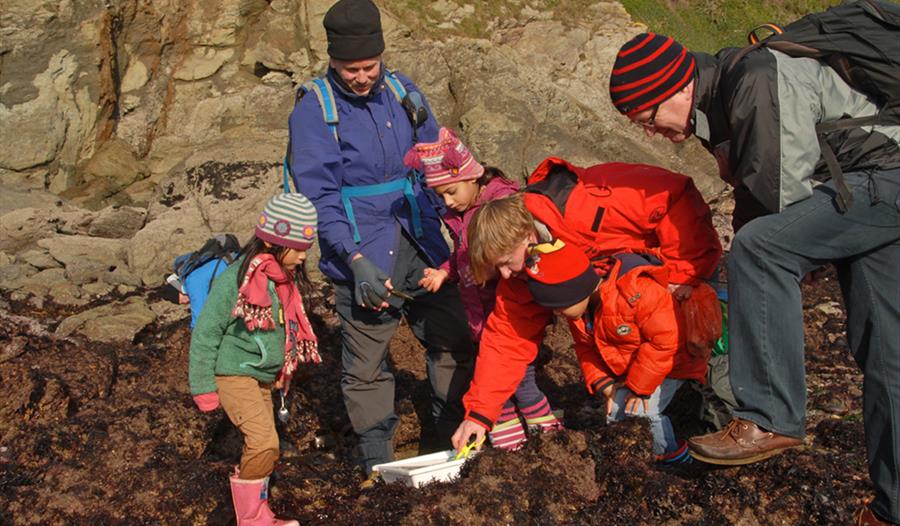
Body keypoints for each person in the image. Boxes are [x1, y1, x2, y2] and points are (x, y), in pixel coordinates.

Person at [609, 30, 900, 524]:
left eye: (648, 119)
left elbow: (778, 187)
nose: (651, 133)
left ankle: (769, 416)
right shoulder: (718, 102)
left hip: (881, 177)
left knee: (760, 248)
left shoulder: (751, 80)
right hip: (871, 188)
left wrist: (768, 265)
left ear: (675, 88)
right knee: (887, 353)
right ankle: (893, 509)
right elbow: (753, 191)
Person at [287, 0, 474, 474]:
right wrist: (352, 259)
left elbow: (436, 162)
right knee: (367, 366)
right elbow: (320, 196)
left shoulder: (402, 90)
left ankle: (445, 441)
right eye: (350, 69)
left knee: (451, 342)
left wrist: (456, 229)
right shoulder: (315, 110)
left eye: (369, 66)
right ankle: (377, 462)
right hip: (362, 250)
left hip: (423, 241)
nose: (362, 77)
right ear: (332, 60)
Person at [450, 154, 723, 451]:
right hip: (619, 320)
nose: (504, 274)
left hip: (669, 287)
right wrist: (479, 415)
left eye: (504, 262)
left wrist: (686, 272)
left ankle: (717, 432)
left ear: (527, 236)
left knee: (707, 370)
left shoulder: (588, 203)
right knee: (635, 401)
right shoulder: (522, 274)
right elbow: (506, 342)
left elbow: (674, 193)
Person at [404, 128, 562, 450]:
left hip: (510, 314)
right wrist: (445, 273)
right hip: (479, 315)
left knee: (521, 382)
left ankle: (550, 442)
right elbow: (461, 255)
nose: (448, 202)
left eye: (451, 191)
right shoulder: (457, 214)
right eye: (440, 197)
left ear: (472, 176)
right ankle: (509, 448)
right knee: (490, 380)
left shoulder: (500, 206)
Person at [189, 193, 320, 526]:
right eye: (300, 247)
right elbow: (206, 331)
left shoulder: (281, 280)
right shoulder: (238, 278)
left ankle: (260, 514)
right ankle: (251, 520)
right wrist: (202, 386)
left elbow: (281, 331)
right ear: (276, 243)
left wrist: (282, 368)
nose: (304, 257)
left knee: (268, 446)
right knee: (263, 443)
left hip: (261, 377)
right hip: (233, 375)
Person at [524, 239, 709, 463]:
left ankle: (670, 457)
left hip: (674, 364)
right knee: (615, 412)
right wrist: (606, 385)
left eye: (559, 306)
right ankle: (630, 457)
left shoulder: (635, 291)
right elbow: (586, 349)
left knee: (642, 413)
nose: (558, 314)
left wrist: (638, 388)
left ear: (576, 290)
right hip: (635, 372)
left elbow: (666, 341)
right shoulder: (579, 314)